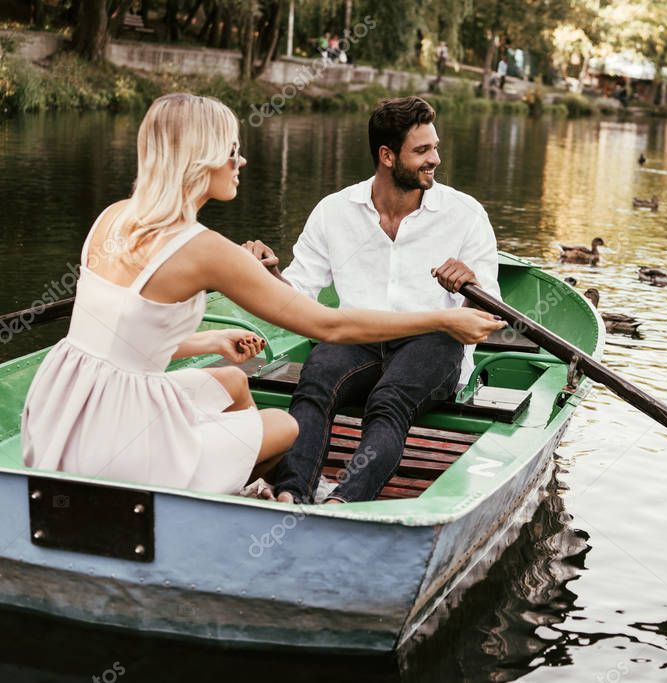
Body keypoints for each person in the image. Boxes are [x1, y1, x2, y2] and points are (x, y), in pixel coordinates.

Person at [20, 93, 503, 495]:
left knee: (235, 381)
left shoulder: (113, 216)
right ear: (201, 159)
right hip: (118, 433)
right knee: (290, 421)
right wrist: (441, 319)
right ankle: (274, 491)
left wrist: (211, 340)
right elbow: (324, 322)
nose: (242, 161)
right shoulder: (209, 248)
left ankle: (300, 491)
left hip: (59, 410)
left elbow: (122, 331)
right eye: (232, 150)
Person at [244, 96, 501, 505]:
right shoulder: (334, 211)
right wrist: (269, 275)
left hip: (435, 339)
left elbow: (488, 318)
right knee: (314, 383)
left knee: (387, 401)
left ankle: (342, 502)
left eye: (434, 147)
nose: (435, 158)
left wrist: (472, 286)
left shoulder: (465, 214)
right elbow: (296, 299)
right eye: (422, 150)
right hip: (357, 337)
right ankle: (290, 494)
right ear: (386, 155)